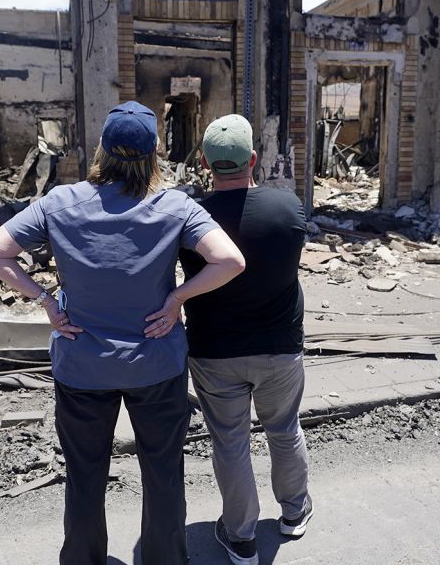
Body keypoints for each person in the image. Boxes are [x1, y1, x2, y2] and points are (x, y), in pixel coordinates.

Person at [0, 101, 246, 565]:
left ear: (101, 149)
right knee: (163, 474)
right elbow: (230, 261)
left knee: (84, 477)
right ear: (154, 153)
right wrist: (178, 298)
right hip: (155, 364)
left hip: (81, 365)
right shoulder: (174, 204)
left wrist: (44, 300)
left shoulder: (60, 202)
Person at [178, 115, 313, 565]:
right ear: (253, 159)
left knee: (230, 442)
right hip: (279, 348)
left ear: (204, 163)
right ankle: (293, 513)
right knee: (284, 429)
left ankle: (240, 538)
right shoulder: (286, 207)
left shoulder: (191, 217)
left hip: (215, 354)